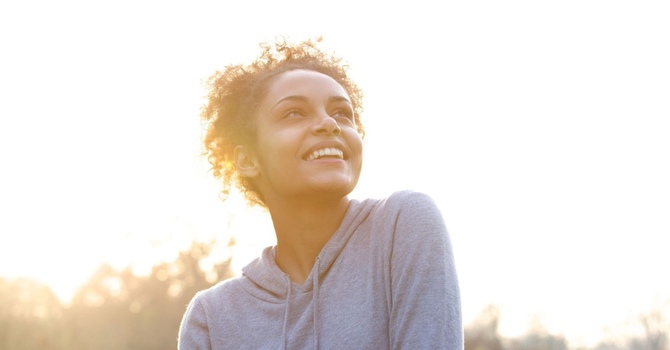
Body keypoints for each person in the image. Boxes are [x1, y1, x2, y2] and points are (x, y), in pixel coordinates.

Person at [178, 37, 463, 349]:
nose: (329, 123)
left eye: (342, 113)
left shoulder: (403, 225)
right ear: (247, 160)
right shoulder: (211, 317)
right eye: (294, 113)